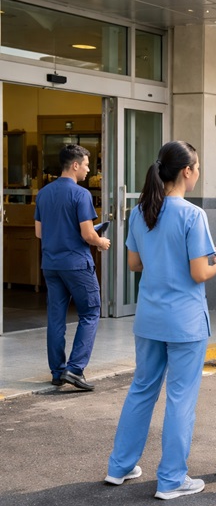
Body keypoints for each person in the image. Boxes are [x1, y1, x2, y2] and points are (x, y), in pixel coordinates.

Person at [106, 141, 216, 500]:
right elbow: (199, 272)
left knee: (142, 390)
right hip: (185, 321)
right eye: (198, 167)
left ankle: (120, 466)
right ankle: (172, 479)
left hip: (150, 318)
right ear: (186, 171)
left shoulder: (140, 212)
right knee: (180, 398)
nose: (199, 173)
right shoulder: (192, 215)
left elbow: (134, 264)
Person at [34, 144, 110, 390]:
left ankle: (57, 372)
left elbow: (39, 233)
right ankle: (75, 369)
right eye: (87, 165)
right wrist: (101, 241)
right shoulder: (81, 194)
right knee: (90, 312)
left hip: (51, 265)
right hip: (76, 264)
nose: (89, 170)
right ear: (75, 165)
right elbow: (88, 234)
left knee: (55, 318)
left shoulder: (44, 193)